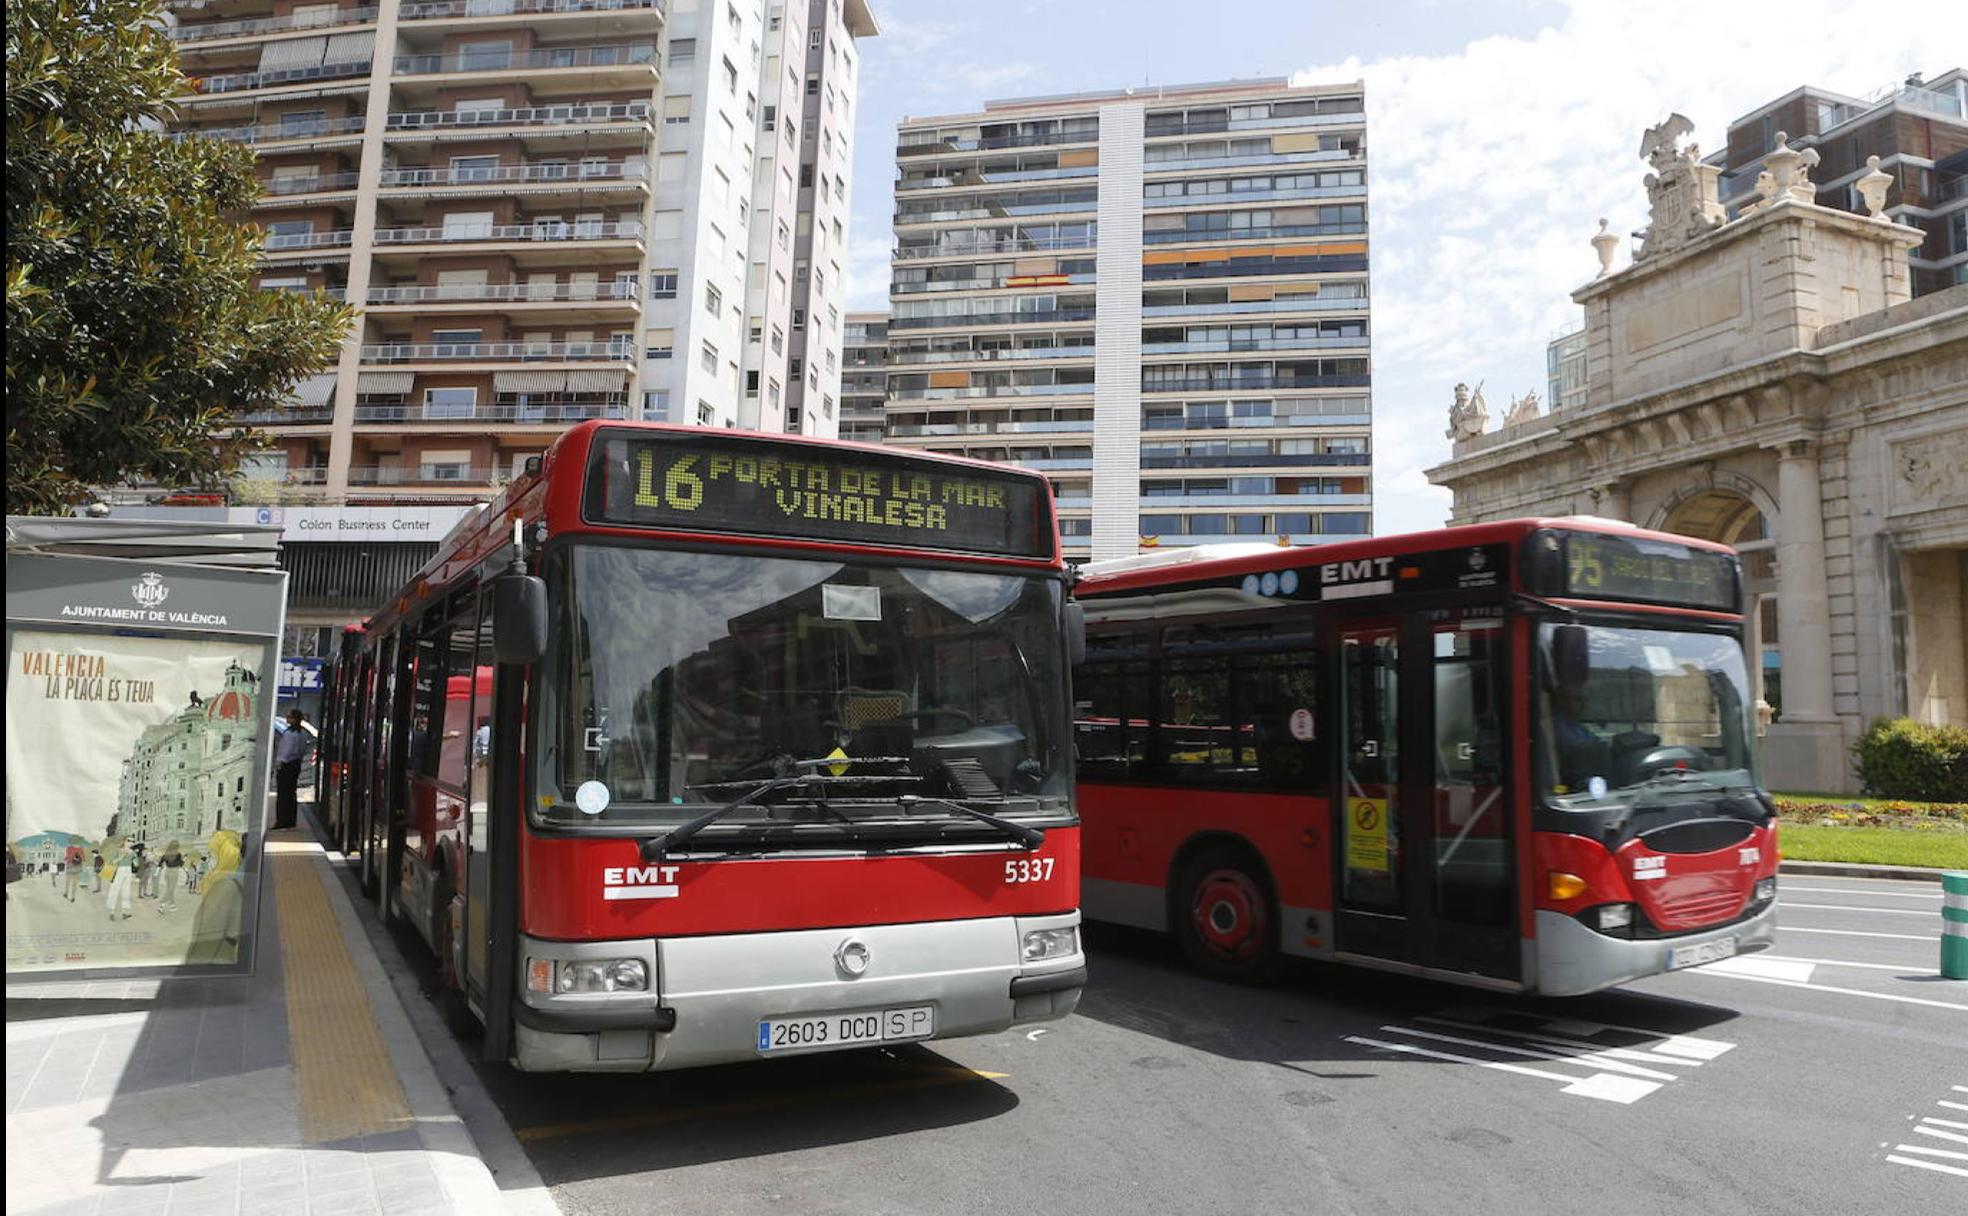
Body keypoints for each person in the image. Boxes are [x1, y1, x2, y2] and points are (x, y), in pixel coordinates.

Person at [186, 830, 245, 965]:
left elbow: (209, 932)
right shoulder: (225, 876)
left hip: (218, 952)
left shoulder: (222, 881)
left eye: (213, 854)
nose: (209, 859)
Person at [273, 708, 317, 830]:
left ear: (294, 719)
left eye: (289, 716)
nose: (287, 718)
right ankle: (291, 820)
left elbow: (284, 750)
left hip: (286, 765)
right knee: (291, 792)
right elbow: (302, 750)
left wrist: (279, 762)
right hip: (295, 764)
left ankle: (282, 820)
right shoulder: (302, 734)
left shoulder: (289, 734)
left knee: (282, 794)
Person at [103, 838, 135, 921]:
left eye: (132, 841)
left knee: (126, 891)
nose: (130, 842)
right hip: (119, 870)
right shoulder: (118, 850)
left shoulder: (132, 852)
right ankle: (112, 913)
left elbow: (136, 864)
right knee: (114, 890)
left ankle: (124, 912)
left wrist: (135, 858)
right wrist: (121, 857)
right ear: (124, 842)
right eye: (129, 840)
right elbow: (112, 862)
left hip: (128, 871)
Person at [159, 840, 185, 912]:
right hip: (174, 872)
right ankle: (162, 905)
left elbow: (160, 863)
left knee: (170, 889)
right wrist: (183, 860)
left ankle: (172, 905)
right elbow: (181, 864)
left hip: (167, 871)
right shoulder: (178, 854)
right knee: (171, 889)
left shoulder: (166, 854)